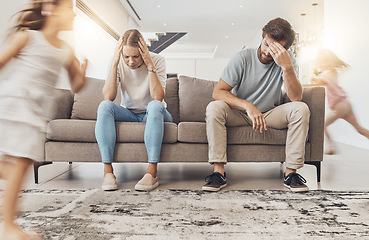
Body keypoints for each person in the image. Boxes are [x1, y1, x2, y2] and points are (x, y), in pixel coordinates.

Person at [0, 0, 88, 239]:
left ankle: (9, 224)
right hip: (16, 103)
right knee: (19, 165)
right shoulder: (28, 37)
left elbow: (76, 86)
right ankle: (9, 227)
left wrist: (82, 70)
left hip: (36, 112)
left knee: (18, 167)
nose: (74, 14)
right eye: (69, 8)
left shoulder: (65, 49)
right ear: (51, 8)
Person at [203, 17, 310, 192]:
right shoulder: (242, 58)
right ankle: (218, 173)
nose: (268, 52)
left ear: (285, 49)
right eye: (267, 44)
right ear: (263, 37)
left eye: (276, 49)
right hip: (239, 114)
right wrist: (247, 106)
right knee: (214, 107)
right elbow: (218, 92)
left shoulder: (286, 60)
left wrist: (286, 67)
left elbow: (296, 97)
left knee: (301, 109)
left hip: (269, 114)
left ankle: (291, 174)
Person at [95, 29, 172, 192]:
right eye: (126, 56)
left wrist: (150, 65)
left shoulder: (158, 60)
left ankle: (152, 173)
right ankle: (108, 172)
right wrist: (115, 63)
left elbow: (158, 97)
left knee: (155, 105)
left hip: (155, 114)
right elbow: (108, 96)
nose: (130, 62)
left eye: (136, 56)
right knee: (104, 106)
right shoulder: (117, 61)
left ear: (143, 50)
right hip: (129, 113)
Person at [308, 49, 369, 154]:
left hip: (339, 106)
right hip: (346, 103)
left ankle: (332, 147)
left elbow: (323, 81)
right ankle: (332, 147)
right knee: (359, 128)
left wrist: (315, 80)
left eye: (319, 61)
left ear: (325, 62)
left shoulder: (327, 74)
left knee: (321, 124)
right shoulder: (333, 72)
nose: (318, 64)